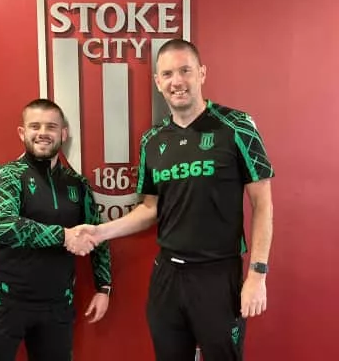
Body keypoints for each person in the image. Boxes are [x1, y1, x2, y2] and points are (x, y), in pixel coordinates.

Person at [70, 39, 274, 361]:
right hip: (167, 275)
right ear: (157, 81)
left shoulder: (237, 126)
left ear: (201, 73)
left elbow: (262, 205)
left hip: (218, 275)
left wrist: (257, 274)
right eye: (167, 74)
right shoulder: (152, 140)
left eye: (185, 71)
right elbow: (150, 209)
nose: (177, 81)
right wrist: (99, 232)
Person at [0, 99, 112, 361]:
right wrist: (64, 236)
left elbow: (97, 234)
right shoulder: (7, 175)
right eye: (35, 126)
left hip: (57, 305)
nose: (43, 133)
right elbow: (3, 226)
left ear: (63, 134)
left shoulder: (77, 184)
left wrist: (103, 287)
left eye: (51, 126)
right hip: (6, 300)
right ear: (22, 132)